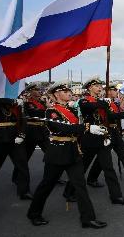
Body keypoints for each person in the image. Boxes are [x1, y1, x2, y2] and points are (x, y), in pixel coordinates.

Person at [27, 81, 107, 228]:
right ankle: (34, 213)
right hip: (58, 152)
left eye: (69, 91)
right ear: (57, 95)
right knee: (46, 185)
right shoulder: (51, 111)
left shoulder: (71, 110)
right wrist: (87, 127)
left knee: (80, 185)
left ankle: (88, 218)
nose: (69, 93)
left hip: (72, 151)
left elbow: (76, 129)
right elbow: (62, 128)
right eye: (65, 91)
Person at [63, 77, 124, 205]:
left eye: (100, 85)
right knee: (82, 167)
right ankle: (69, 191)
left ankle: (116, 196)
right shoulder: (83, 101)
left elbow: (109, 116)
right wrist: (104, 103)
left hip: (101, 137)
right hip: (89, 138)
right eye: (96, 86)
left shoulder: (101, 101)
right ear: (90, 88)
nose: (100, 87)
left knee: (108, 167)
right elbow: (89, 107)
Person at [87, 85, 124, 189]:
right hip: (107, 132)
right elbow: (110, 116)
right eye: (114, 90)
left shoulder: (114, 103)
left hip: (115, 131)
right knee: (101, 159)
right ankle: (92, 178)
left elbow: (117, 115)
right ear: (109, 91)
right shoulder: (103, 103)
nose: (116, 92)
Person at [0, 94, 32, 200]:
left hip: (15, 138)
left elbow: (23, 120)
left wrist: (22, 135)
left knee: (22, 165)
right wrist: (13, 100)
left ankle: (24, 191)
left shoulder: (17, 105)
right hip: (0, 139)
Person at [12, 83, 50, 184]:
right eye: (36, 90)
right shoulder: (27, 103)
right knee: (25, 157)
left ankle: (52, 176)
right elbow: (36, 114)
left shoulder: (42, 103)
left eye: (39, 90)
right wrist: (48, 109)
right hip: (31, 132)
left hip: (42, 131)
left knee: (50, 154)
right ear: (30, 92)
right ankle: (16, 176)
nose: (39, 92)